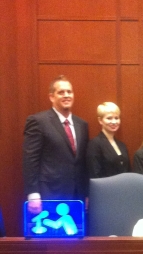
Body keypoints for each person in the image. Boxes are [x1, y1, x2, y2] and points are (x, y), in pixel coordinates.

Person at [22, 75, 89, 214]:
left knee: (77, 234)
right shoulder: (38, 121)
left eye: (69, 92)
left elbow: (82, 163)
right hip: (50, 194)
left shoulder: (82, 124)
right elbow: (30, 160)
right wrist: (33, 193)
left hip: (77, 196)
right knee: (52, 234)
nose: (66, 95)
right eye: (61, 92)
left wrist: (86, 193)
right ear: (51, 97)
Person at [86, 102, 130, 178]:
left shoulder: (122, 145)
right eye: (109, 118)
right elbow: (95, 174)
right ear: (100, 120)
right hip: (105, 188)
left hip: (123, 187)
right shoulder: (94, 144)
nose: (114, 122)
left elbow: (128, 171)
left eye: (116, 118)